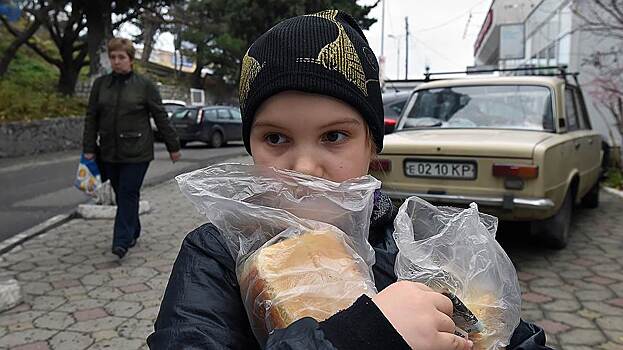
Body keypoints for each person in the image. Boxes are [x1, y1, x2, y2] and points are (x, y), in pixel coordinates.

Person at [147, 11, 550, 350]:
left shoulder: (414, 248)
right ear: (251, 144)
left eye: (333, 136)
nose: (303, 167)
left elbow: (492, 330)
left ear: (372, 146)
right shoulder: (217, 254)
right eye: (275, 138)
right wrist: (366, 334)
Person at [82, 37, 181, 259]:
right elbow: (91, 117)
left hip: (138, 151)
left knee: (128, 192)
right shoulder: (101, 85)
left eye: (121, 57)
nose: (116, 62)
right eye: (113, 57)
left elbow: (160, 116)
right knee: (122, 194)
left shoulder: (144, 85)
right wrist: (88, 147)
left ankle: (121, 242)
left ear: (130, 59)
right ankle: (133, 230)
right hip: (108, 150)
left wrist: (172, 146)